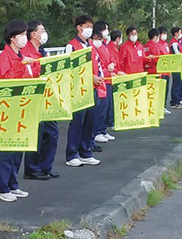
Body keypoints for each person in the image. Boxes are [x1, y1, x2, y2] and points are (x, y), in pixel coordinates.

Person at [0, 19, 33, 201]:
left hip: (22, 106)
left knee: (18, 148)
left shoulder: (20, 57)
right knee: (7, 149)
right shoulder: (4, 58)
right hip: (8, 108)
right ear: (12, 37)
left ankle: (12, 183)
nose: (25, 38)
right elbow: (6, 81)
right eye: (22, 35)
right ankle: (2, 187)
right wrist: (21, 65)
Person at [22, 20, 61, 181]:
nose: (44, 33)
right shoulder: (25, 52)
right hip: (34, 97)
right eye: (42, 30)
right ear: (33, 34)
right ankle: (32, 169)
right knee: (36, 134)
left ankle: (46, 166)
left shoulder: (43, 51)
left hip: (47, 97)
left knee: (52, 132)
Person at [64, 15, 100, 167]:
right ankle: (72, 154)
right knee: (77, 122)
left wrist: (97, 78)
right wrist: (89, 76)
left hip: (91, 88)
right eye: (87, 26)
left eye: (91, 27)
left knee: (89, 121)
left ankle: (85, 151)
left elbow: (96, 64)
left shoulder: (91, 46)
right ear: (79, 28)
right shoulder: (71, 46)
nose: (89, 30)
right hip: (77, 89)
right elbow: (67, 68)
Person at [92, 21, 115, 145]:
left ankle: (102, 129)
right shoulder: (94, 47)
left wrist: (112, 66)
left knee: (106, 107)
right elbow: (99, 65)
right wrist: (108, 70)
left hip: (107, 79)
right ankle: (97, 131)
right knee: (99, 108)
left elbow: (110, 59)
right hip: (101, 80)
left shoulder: (104, 45)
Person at [157, 26, 172, 114]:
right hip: (161, 71)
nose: (164, 35)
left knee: (166, 90)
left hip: (167, 70)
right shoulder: (157, 44)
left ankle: (164, 106)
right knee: (160, 90)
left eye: (166, 34)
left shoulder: (166, 44)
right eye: (163, 33)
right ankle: (159, 107)